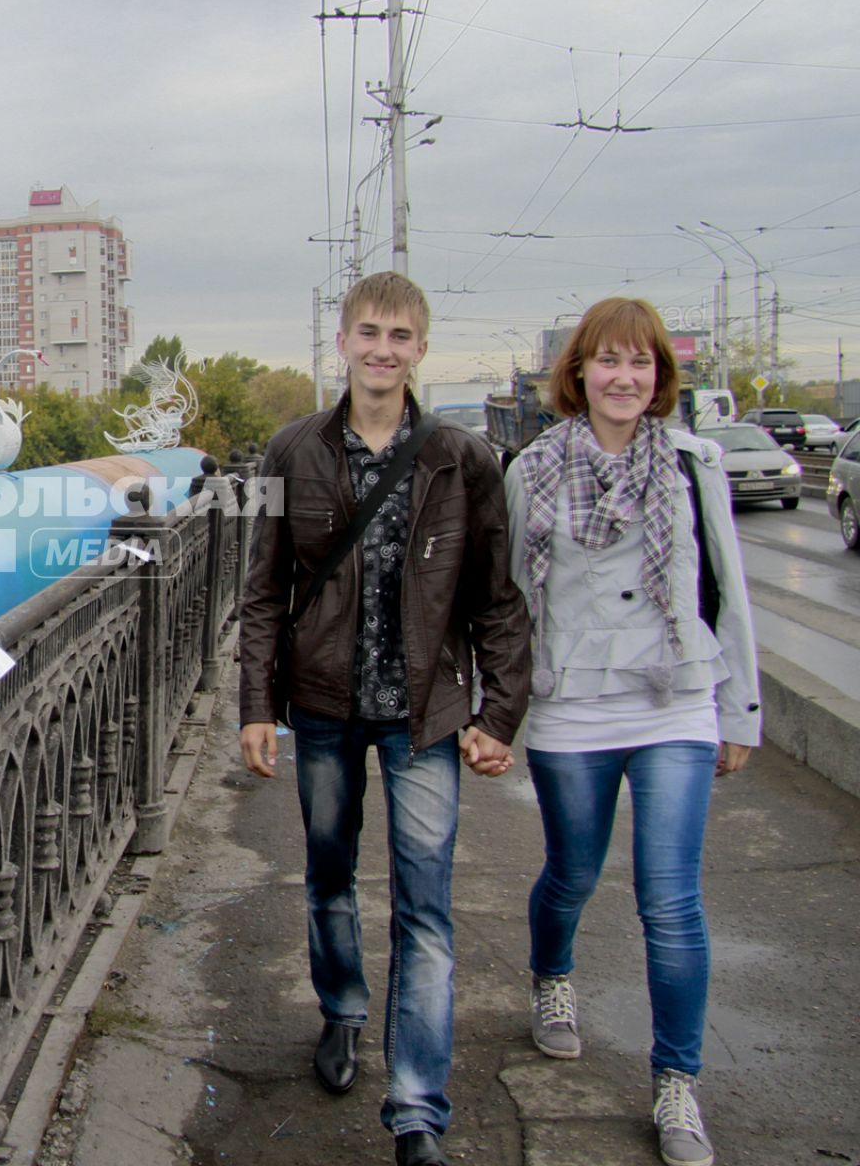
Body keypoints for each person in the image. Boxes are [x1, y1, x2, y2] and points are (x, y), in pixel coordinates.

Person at [237, 271, 532, 1166]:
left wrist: (499, 713)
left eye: (400, 336)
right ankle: (342, 1010)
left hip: (423, 715)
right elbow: (262, 592)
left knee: (427, 908)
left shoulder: (463, 459)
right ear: (342, 342)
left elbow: (497, 598)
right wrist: (257, 706)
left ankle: (416, 1112)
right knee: (329, 874)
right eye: (369, 332)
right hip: (322, 707)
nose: (382, 349)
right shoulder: (289, 452)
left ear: (421, 349)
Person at [504, 297, 758, 1166]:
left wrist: (741, 709)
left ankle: (677, 1082)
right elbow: (508, 601)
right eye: (609, 362)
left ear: (660, 378)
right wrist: (493, 712)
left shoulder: (695, 464)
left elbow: (726, 588)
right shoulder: (533, 469)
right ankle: (553, 980)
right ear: (578, 374)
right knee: (572, 873)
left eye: (641, 364)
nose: (625, 377)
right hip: (574, 702)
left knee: (671, 901)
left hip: (675, 696)